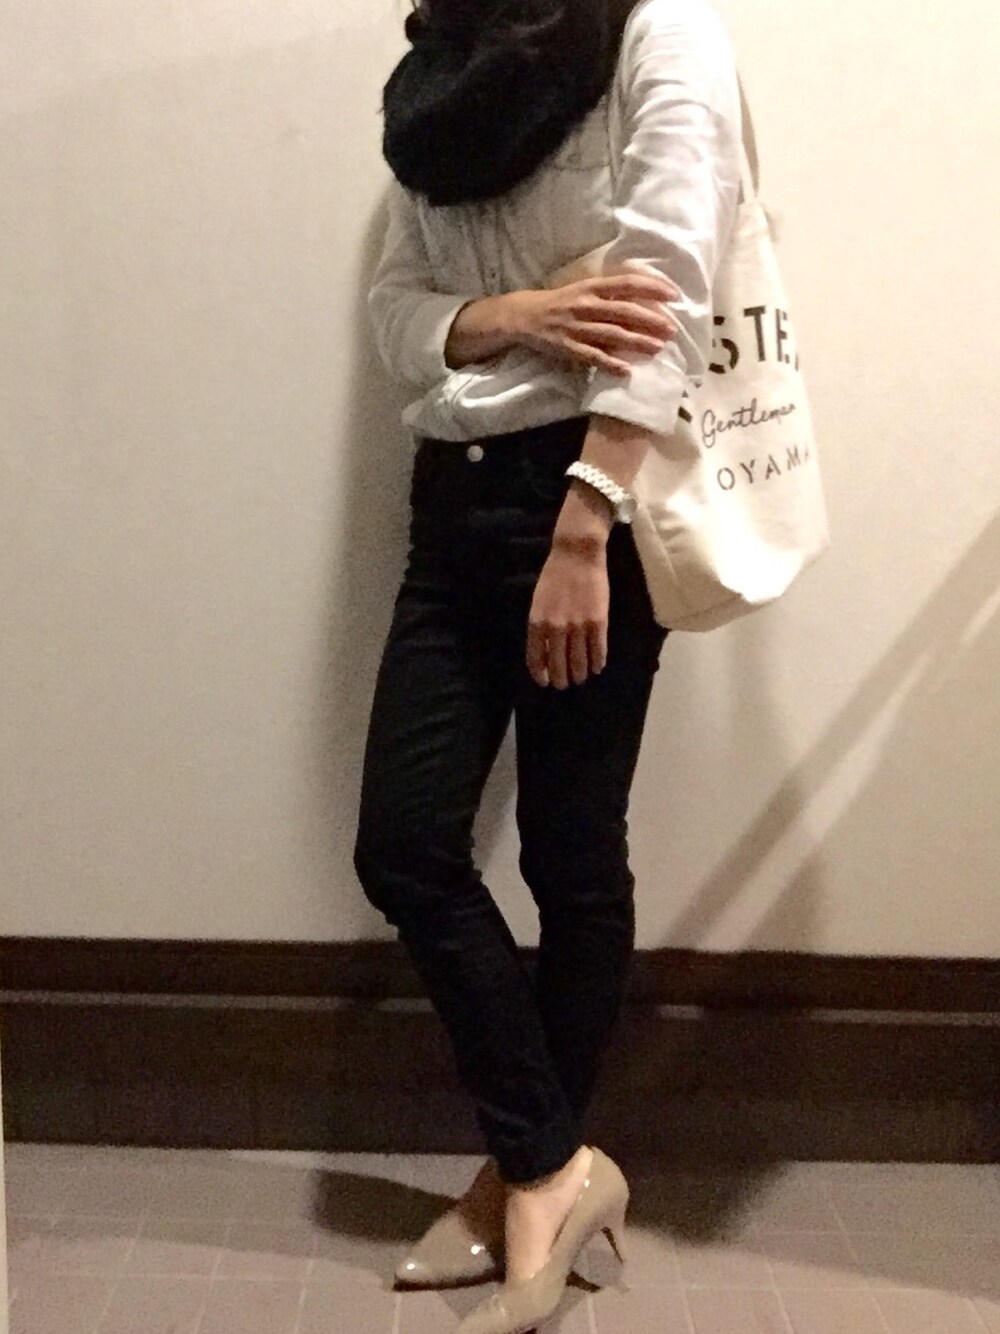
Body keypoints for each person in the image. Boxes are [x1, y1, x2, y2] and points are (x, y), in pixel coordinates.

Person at [353, 0, 743, 1328]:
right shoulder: (434, 80)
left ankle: (525, 1175)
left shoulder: (655, 33)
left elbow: (668, 290)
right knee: (405, 846)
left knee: (570, 853)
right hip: (451, 502)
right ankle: (549, 1163)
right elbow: (395, 317)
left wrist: (588, 522)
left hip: (585, 500)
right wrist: (522, 312)